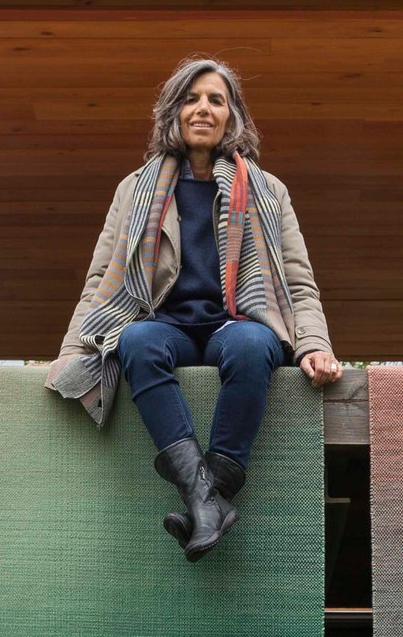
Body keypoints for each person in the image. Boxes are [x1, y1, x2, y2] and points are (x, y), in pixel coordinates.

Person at [45, 57, 341, 562]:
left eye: (216, 100)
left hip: (237, 321)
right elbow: (101, 279)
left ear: (232, 117)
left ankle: (202, 502)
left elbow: (298, 281)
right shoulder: (134, 190)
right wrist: (72, 351)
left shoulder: (269, 191)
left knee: (252, 344)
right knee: (135, 340)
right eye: (191, 98)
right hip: (167, 324)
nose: (202, 109)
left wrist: (314, 344)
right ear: (174, 112)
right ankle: (210, 500)